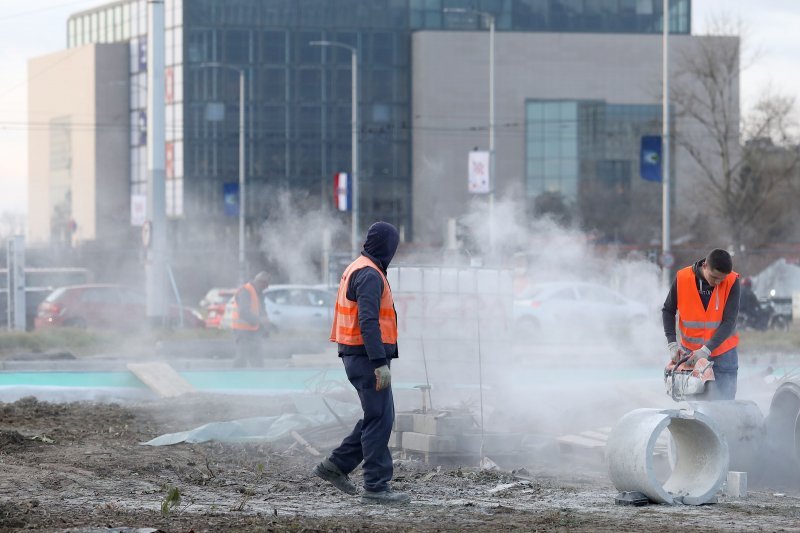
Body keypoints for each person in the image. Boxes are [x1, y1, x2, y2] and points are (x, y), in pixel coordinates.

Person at [313, 221, 410, 505]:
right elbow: (367, 321)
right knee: (380, 419)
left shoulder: (361, 266)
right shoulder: (368, 273)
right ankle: (376, 487)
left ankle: (336, 466)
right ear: (387, 246)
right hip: (367, 358)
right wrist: (380, 362)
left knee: (377, 416)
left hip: (358, 355)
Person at [662, 248, 740, 400]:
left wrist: (706, 350)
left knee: (725, 405)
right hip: (691, 354)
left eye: (721, 280)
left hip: (724, 354)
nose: (717, 283)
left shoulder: (732, 280)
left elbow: (729, 321)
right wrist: (672, 343)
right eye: (714, 277)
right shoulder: (683, 278)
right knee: (696, 406)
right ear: (705, 266)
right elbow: (668, 310)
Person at [231, 271, 270, 368]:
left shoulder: (258, 293)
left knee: (258, 361)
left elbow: (261, 312)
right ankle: (235, 379)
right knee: (241, 359)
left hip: (254, 332)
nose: (267, 287)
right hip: (243, 331)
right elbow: (244, 312)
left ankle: (257, 380)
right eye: (266, 285)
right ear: (261, 282)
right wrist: (260, 321)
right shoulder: (246, 291)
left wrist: (264, 328)